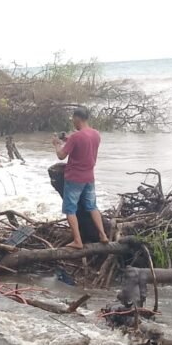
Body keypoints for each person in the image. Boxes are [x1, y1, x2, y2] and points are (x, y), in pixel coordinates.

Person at [53, 107, 110, 249]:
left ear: (78, 118)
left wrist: (57, 145)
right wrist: (68, 139)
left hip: (74, 178)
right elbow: (84, 144)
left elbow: (61, 155)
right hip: (89, 176)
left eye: (73, 119)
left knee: (70, 209)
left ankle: (77, 241)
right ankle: (103, 235)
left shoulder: (76, 137)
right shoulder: (96, 134)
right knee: (92, 206)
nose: (73, 122)